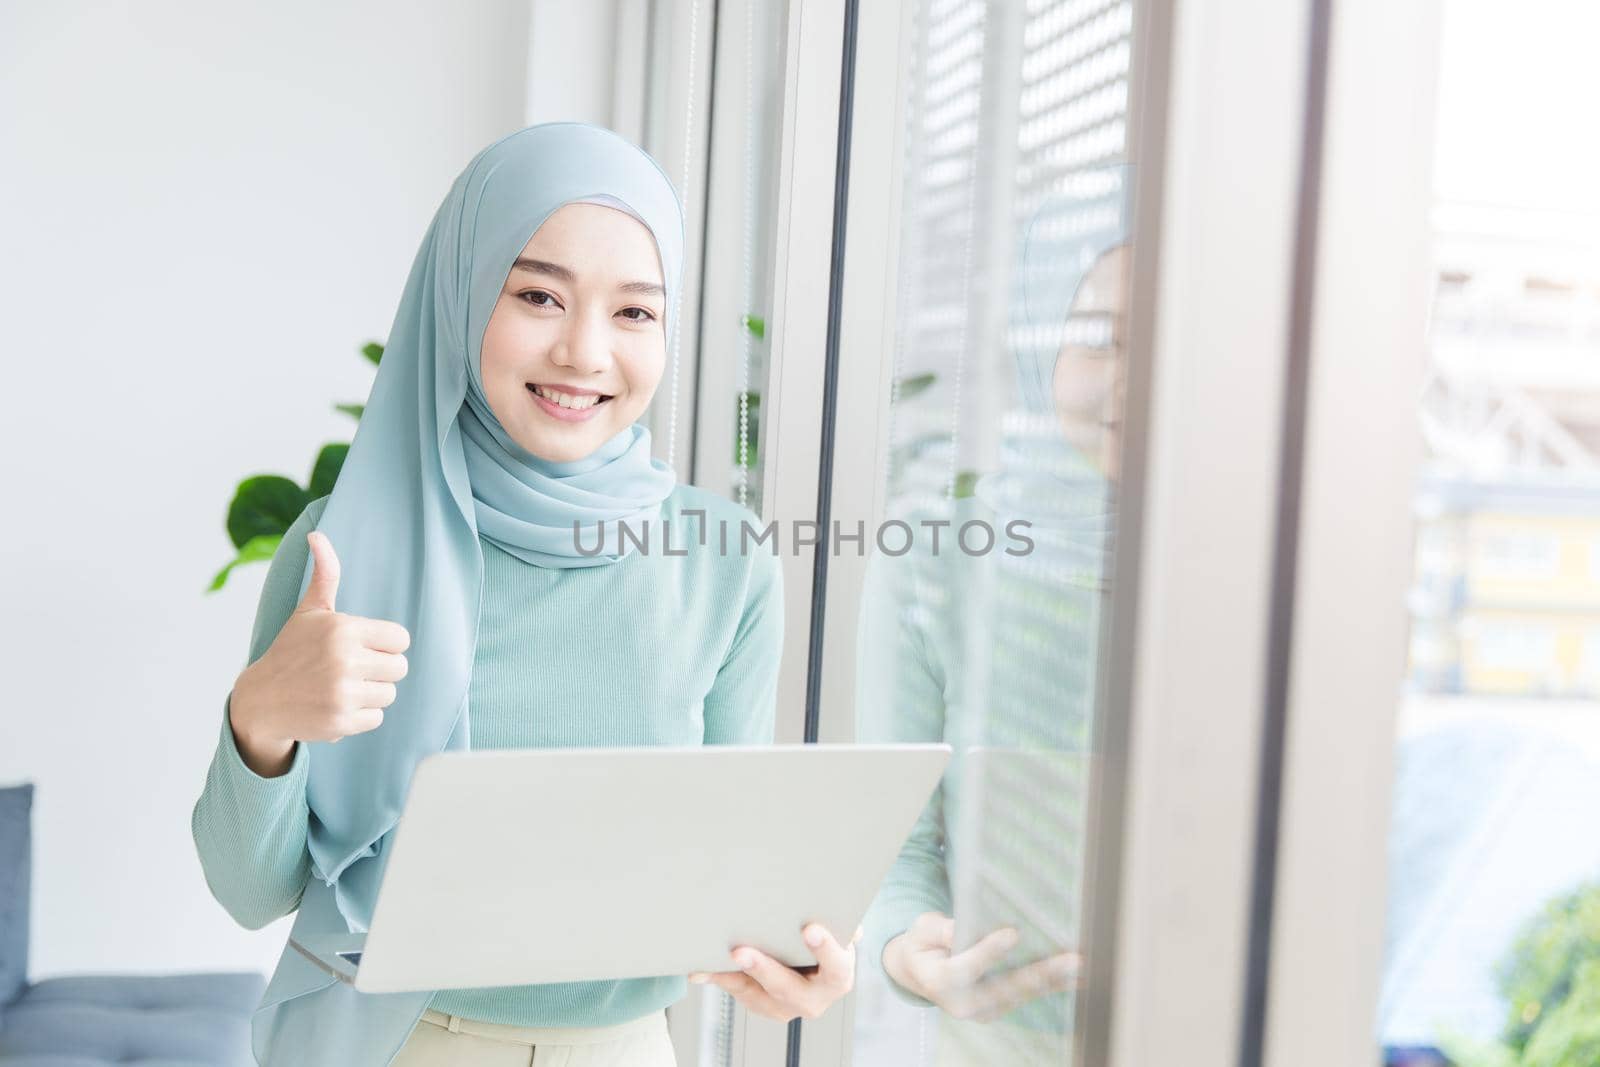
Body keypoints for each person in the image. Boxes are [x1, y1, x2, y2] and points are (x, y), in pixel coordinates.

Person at [191, 122, 856, 1067]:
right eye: (538, 293)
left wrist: (801, 954)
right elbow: (249, 890)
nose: (585, 352)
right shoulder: (341, 550)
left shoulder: (725, 560)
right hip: (391, 1043)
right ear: (462, 295)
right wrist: (261, 717)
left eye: (634, 312)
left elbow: (722, 866)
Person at [855, 165, 1133, 1065]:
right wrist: (913, 950)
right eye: (1101, 340)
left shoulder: (1258, 578)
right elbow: (894, 853)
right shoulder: (941, 558)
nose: (1134, 384)